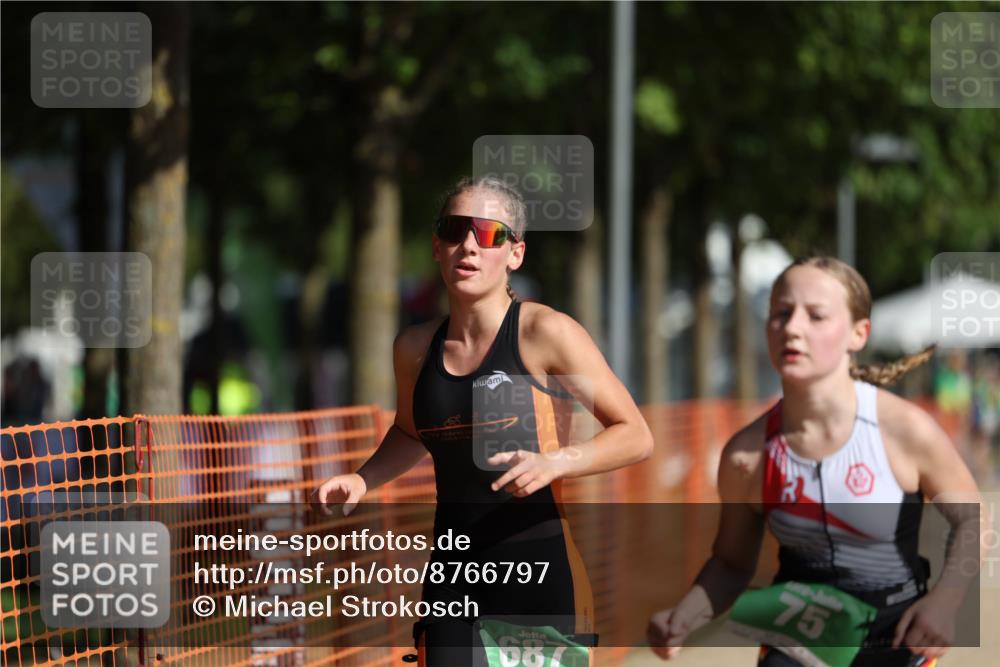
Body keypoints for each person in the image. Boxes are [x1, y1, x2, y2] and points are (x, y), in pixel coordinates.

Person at [316, 175, 653, 665]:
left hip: (539, 575)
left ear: (515, 253)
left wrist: (557, 462)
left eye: (489, 233)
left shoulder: (545, 332)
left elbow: (635, 435)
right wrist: (362, 480)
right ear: (437, 246)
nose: (469, 245)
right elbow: (412, 431)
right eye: (455, 230)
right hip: (454, 576)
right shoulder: (413, 349)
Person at [648, 256, 984, 667]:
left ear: (859, 334)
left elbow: (972, 519)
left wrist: (945, 602)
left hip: (895, 642)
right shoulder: (746, 456)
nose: (792, 328)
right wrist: (684, 616)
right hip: (796, 645)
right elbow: (731, 563)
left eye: (816, 316)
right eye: (781, 313)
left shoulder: (904, 430)